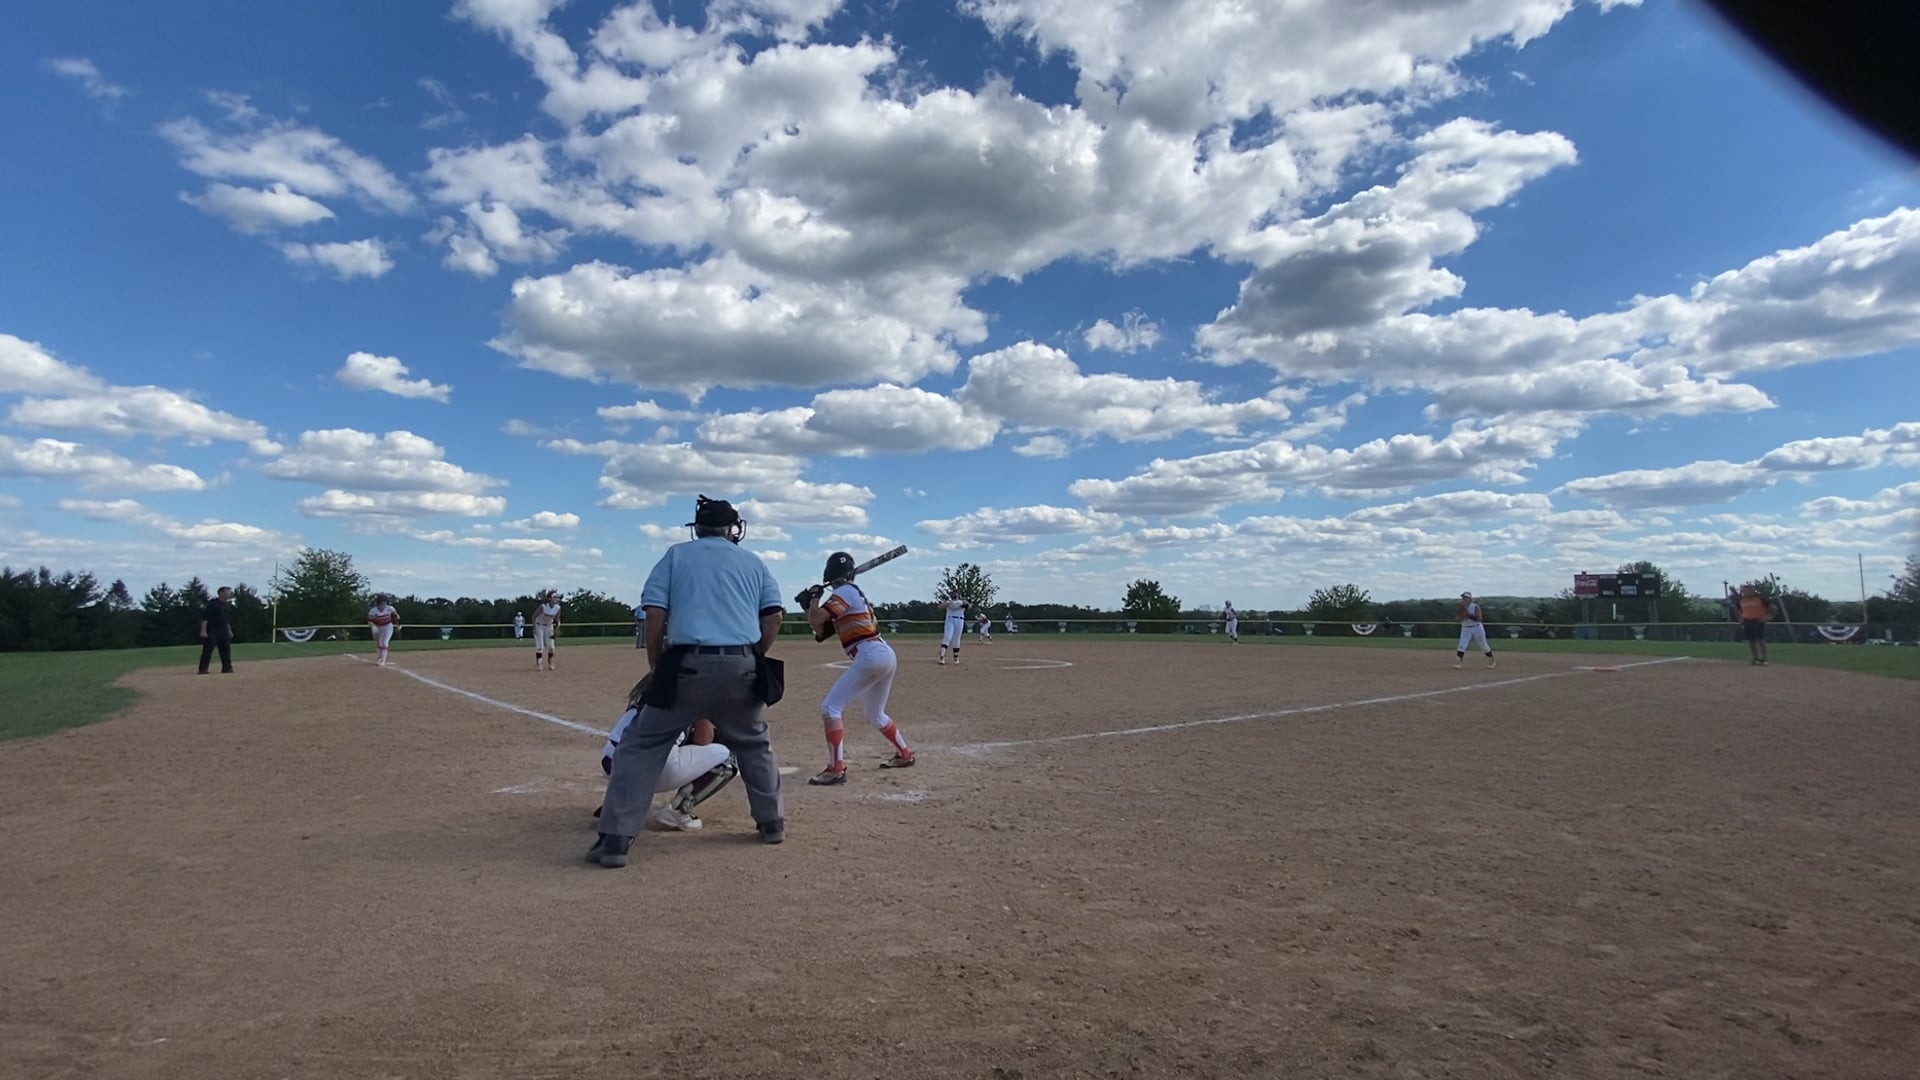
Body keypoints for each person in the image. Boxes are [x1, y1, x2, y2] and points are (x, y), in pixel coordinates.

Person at [588, 496, 787, 868]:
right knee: (754, 743)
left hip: (685, 665)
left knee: (641, 745)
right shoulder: (753, 562)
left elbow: (654, 613)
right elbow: (773, 616)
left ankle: (615, 840)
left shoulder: (675, 556)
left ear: (697, 528)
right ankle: (771, 823)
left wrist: (656, 662)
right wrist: (754, 654)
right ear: (733, 528)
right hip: (741, 665)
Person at [803, 551, 915, 785]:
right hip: (882, 653)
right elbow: (820, 631)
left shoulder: (844, 592)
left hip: (870, 654)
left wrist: (813, 599)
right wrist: (810, 604)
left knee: (830, 708)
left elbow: (817, 618)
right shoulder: (851, 594)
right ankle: (904, 753)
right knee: (875, 714)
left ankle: (836, 768)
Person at [593, 673, 739, 832]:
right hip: (650, 774)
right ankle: (678, 810)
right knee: (726, 757)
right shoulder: (692, 695)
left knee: (656, 746)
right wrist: (705, 710)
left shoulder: (650, 687)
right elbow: (703, 740)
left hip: (613, 768)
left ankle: (619, 801)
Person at [198, 585, 235, 674]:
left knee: (226, 650)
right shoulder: (212, 604)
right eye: (228, 592)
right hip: (212, 629)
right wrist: (203, 631)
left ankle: (227, 668)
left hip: (224, 630)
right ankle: (203, 669)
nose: (230, 594)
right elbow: (205, 618)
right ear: (221, 593)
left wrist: (229, 630)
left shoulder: (227, 605)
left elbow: (226, 619)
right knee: (208, 650)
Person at [1454, 591, 1495, 669]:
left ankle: (1491, 661)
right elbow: (1457, 619)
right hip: (1465, 628)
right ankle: (1458, 663)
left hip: (1477, 628)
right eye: (1463, 598)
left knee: (1483, 645)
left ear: (1470, 599)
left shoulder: (1475, 606)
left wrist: (1468, 615)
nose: (1464, 599)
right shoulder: (1460, 607)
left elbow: (1479, 618)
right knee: (1462, 645)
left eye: (1466, 598)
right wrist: (1461, 617)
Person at [1738, 585, 1772, 665]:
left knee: (1760, 639)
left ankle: (1764, 659)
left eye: (1748, 590)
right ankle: (1755, 658)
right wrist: (1741, 618)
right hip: (1747, 621)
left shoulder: (1760, 599)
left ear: (1752, 591)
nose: (1746, 592)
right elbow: (1739, 610)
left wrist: (1767, 617)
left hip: (1758, 620)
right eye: (1744, 591)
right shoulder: (1741, 600)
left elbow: (1772, 608)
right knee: (1751, 640)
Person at [367, 593, 399, 667]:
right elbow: (370, 621)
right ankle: (379, 658)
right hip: (377, 627)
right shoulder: (373, 611)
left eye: (385, 602)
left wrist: (397, 618)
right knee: (379, 643)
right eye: (382, 602)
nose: (384, 604)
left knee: (384, 642)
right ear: (378, 602)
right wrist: (372, 626)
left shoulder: (390, 608)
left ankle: (383, 660)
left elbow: (395, 616)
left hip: (387, 626)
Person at [532, 590, 562, 671]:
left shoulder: (557, 608)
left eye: (557, 597)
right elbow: (534, 616)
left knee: (551, 647)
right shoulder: (543, 607)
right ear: (549, 598)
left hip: (549, 626)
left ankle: (550, 662)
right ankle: (539, 664)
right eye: (554, 597)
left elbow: (557, 620)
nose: (556, 599)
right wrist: (534, 627)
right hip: (539, 626)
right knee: (540, 647)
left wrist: (557, 629)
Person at [938, 592, 966, 665]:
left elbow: (969, 606)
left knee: (957, 639)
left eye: (956, 594)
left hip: (960, 620)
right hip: (950, 620)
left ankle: (956, 657)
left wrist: (964, 602)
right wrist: (947, 603)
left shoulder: (961, 602)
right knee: (947, 637)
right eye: (953, 594)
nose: (955, 595)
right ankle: (942, 657)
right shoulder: (949, 602)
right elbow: (940, 607)